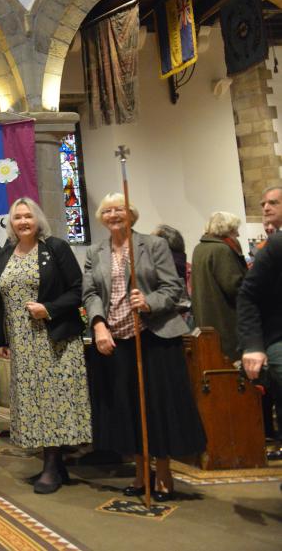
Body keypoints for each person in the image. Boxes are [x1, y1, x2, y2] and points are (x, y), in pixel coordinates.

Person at [83, 193, 205, 502]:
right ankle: (140, 472)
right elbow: (91, 292)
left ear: (132, 215)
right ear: (101, 217)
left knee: (157, 407)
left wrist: (148, 302)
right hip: (116, 338)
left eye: (119, 209)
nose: (114, 215)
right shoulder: (96, 251)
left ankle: (163, 472)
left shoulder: (153, 246)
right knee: (129, 409)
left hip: (154, 337)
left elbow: (173, 287)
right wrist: (98, 324)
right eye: (108, 211)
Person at [0, 197, 90, 493]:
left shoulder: (55, 248)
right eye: (17, 217)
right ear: (11, 222)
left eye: (28, 216)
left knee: (53, 401)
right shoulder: (6, 252)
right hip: (22, 342)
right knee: (33, 401)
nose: (23, 222)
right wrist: (3, 338)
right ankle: (55, 464)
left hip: (53, 338)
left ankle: (51, 466)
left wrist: (49, 308)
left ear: (38, 220)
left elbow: (78, 289)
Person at [238, 186, 282, 451]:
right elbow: (248, 295)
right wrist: (253, 345)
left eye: (273, 202)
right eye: (264, 203)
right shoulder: (276, 245)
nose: (266, 208)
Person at [190, 211, 247, 361]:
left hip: (206, 321)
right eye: (235, 230)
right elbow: (234, 287)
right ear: (226, 229)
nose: (238, 234)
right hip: (225, 321)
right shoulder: (221, 249)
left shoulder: (199, 248)